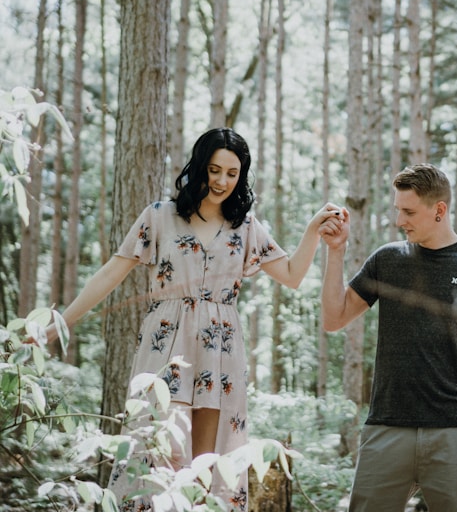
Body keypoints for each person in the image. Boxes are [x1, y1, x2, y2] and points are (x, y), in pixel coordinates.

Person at [47, 127, 344, 511]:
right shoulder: (159, 217)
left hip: (220, 351)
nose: (222, 181)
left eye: (232, 173)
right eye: (214, 170)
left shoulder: (246, 226)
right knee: (161, 453)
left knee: (208, 464)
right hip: (166, 345)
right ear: (199, 167)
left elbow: (291, 274)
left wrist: (311, 232)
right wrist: (59, 324)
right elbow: (110, 273)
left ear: (241, 176)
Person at [319, 163, 457, 512]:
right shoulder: (387, 260)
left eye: (409, 212)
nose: (399, 220)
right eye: (398, 210)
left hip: (453, 430)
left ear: (439, 210)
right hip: (387, 426)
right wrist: (336, 251)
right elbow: (334, 318)